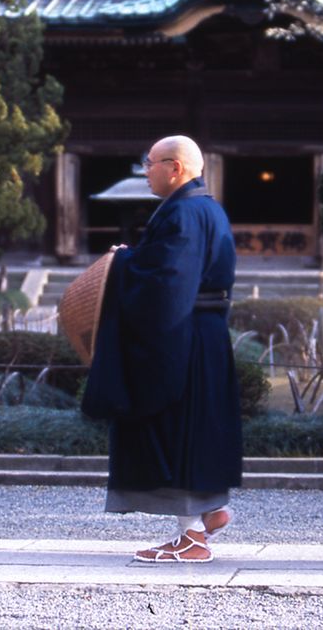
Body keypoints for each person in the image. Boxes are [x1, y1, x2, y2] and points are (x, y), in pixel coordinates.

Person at [80, 135, 241, 563]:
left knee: (172, 427)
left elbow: (167, 281)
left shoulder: (183, 213)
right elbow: (173, 267)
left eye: (150, 163)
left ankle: (191, 538)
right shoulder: (209, 209)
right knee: (197, 427)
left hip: (179, 334)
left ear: (175, 168)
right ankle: (211, 507)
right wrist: (135, 258)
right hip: (203, 333)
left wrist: (123, 264)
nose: (145, 170)